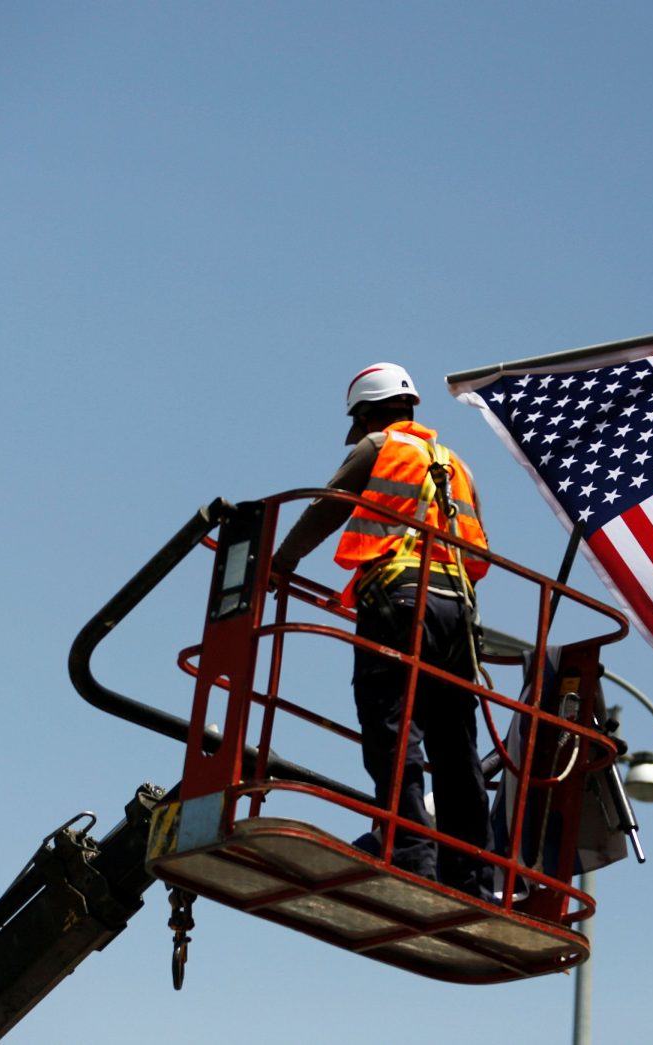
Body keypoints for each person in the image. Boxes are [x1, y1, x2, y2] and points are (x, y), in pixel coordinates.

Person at [270, 362, 492, 898]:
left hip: (399, 601)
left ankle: (411, 854)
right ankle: (474, 876)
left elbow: (328, 509)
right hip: (457, 611)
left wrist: (279, 564)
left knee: (394, 732)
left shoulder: (378, 447)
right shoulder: (456, 464)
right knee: (456, 747)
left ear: (367, 412)